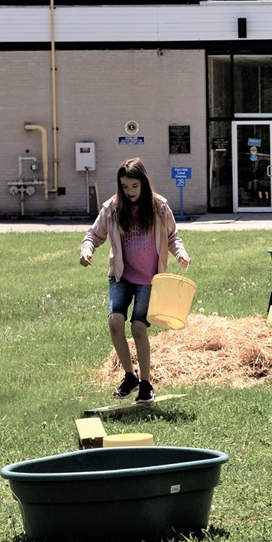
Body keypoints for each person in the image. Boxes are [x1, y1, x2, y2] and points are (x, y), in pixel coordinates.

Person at [79, 158, 191, 403]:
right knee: (115, 322)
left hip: (149, 280)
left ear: (144, 183)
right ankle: (130, 376)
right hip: (121, 276)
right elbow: (93, 235)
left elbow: (173, 237)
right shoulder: (112, 208)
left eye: (134, 186)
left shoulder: (159, 207)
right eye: (125, 187)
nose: (129, 192)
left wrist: (180, 254)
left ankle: (146, 384)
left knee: (139, 328)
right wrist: (86, 250)